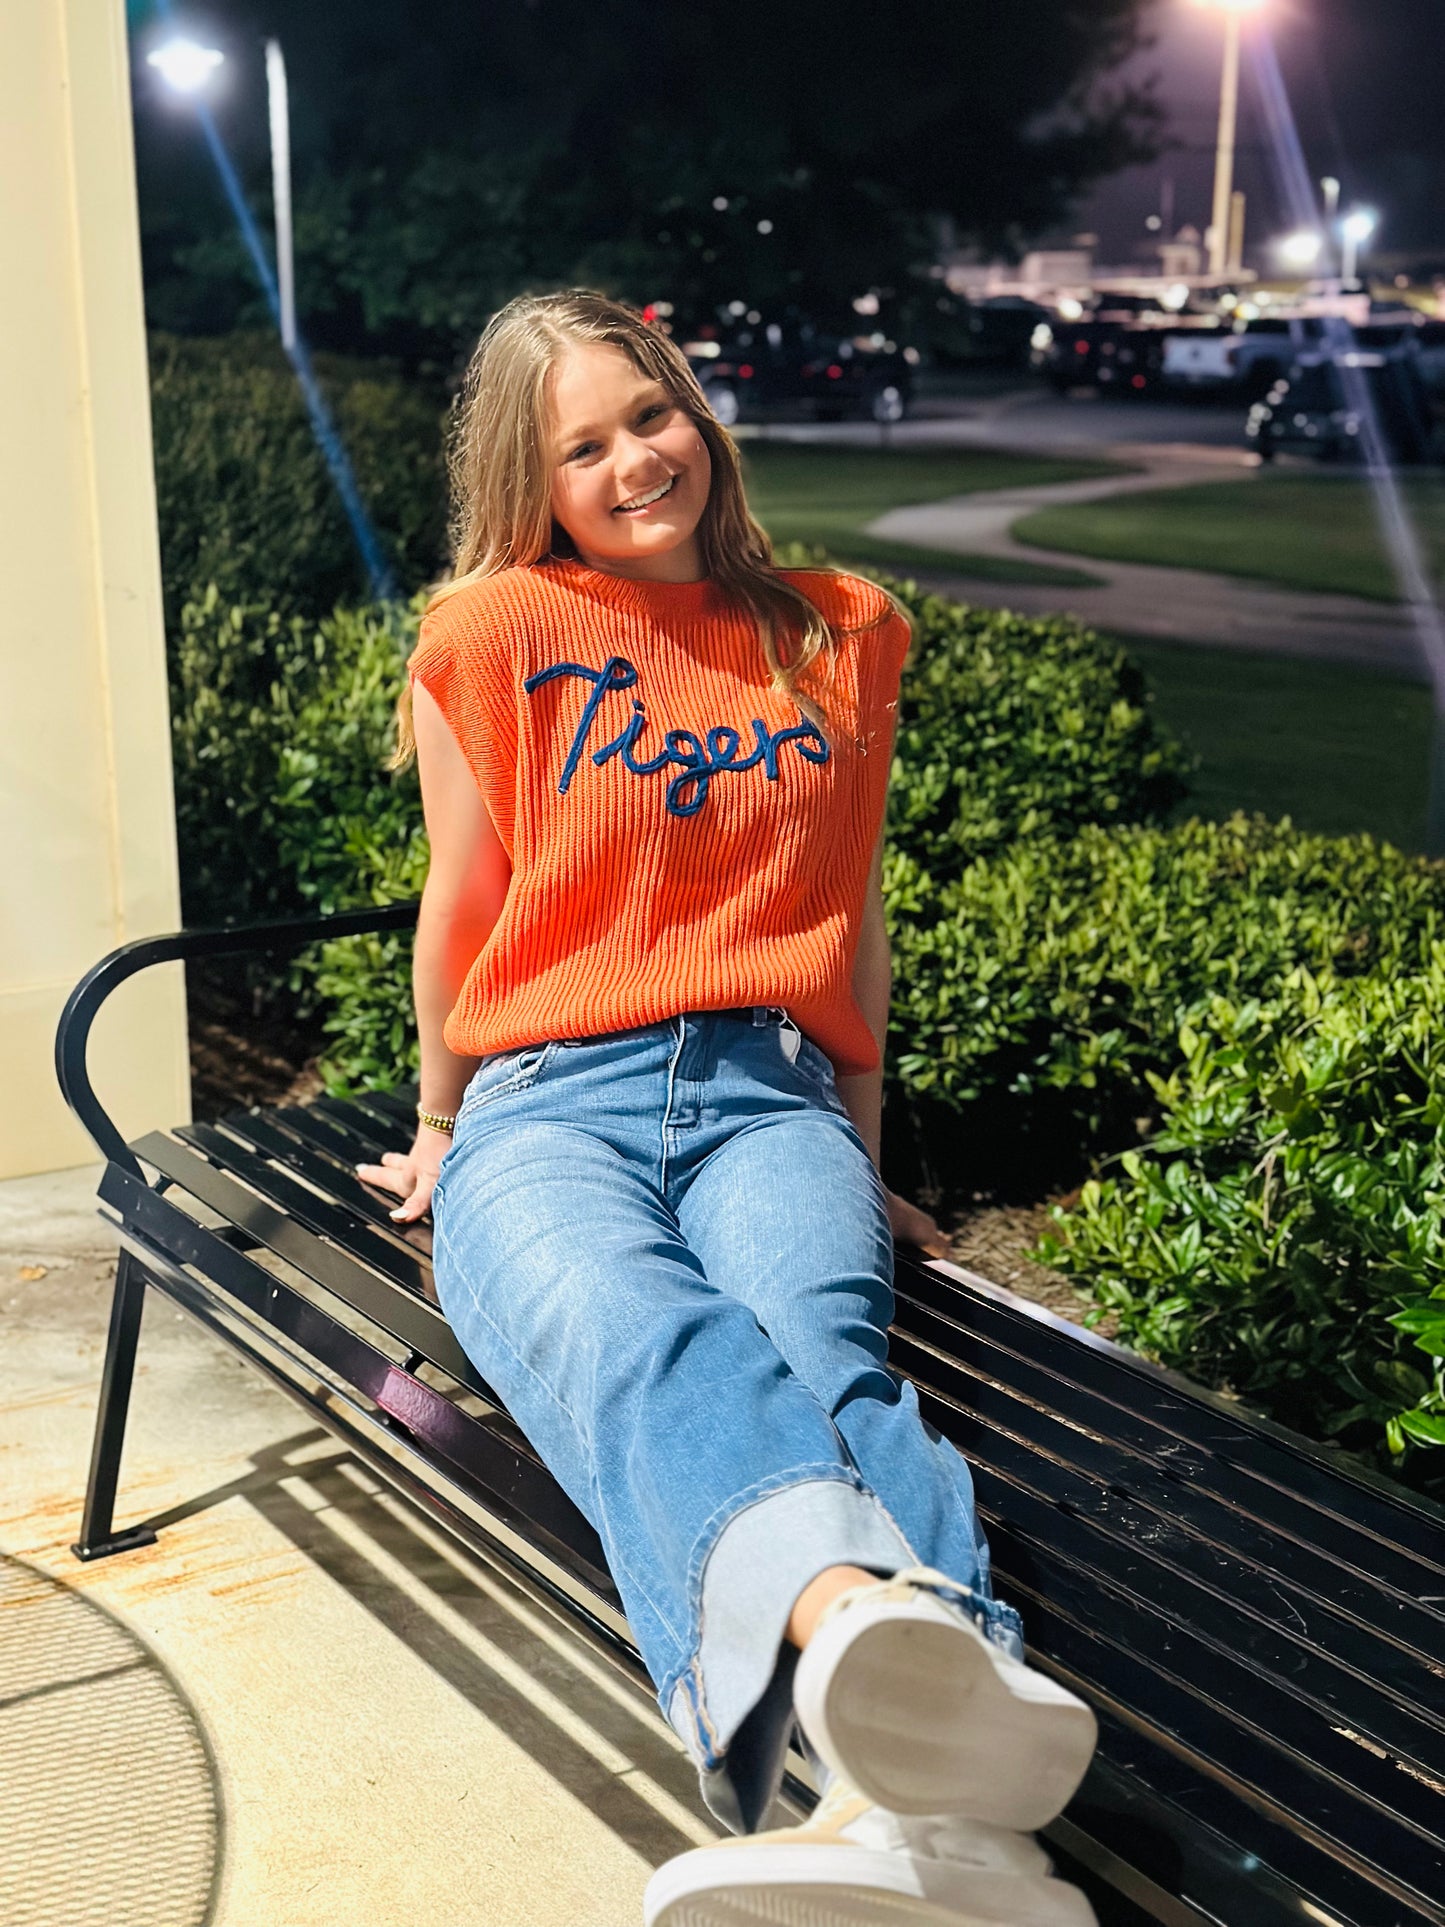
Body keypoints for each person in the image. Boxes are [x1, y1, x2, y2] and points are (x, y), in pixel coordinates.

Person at [356, 288, 1098, 1927]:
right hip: (546, 1102)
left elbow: (852, 917)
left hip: (771, 1098)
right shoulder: (488, 637)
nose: (634, 460)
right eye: (583, 445)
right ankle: (891, 1679)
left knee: (818, 1354)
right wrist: (438, 1122)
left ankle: (929, 1845)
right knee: (637, 1331)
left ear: (700, 413)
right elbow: (460, 908)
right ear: (529, 479)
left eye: (652, 415)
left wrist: (866, 1154)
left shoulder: (839, 626)